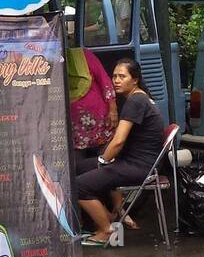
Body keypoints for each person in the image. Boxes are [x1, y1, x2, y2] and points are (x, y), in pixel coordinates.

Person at [75, 58, 166, 245]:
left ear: (135, 80)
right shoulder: (138, 98)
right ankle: (109, 216)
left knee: (77, 186)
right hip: (138, 164)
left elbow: (119, 141)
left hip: (138, 167)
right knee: (77, 167)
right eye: (114, 76)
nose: (116, 80)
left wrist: (102, 162)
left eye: (122, 76)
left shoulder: (136, 101)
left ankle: (107, 230)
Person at [68, 47, 117, 154]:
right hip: (73, 128)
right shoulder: (47, 60)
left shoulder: (83, 55)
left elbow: (104, 80)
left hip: (100, 122)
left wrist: (113, 110)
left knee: (103, 157)